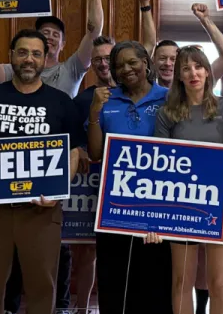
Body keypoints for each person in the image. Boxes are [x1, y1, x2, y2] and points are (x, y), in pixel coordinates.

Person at [0, 26, 86, 314]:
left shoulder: (61, 102)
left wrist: (60, 191)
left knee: (42, 286)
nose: (29, 59)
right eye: (22, 53)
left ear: (46, 59)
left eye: (36, 53)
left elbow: (72, 151)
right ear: (11, 57)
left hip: (41, 209)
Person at [154, 46, 223, 314]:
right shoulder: (167, 113)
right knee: (181, 281)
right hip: (181, 206)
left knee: (219, 283)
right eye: (185, 68)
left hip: (222, 202)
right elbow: (161, 164)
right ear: (179, 76)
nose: (193, 72)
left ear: (207, 71)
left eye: (198, 66)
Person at [87, 41, 174, 314]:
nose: (126, 69)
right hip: (114, 204)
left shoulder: (168, 97)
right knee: (113, 280)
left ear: (146, 63)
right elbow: (95, 153)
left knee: (154, 280)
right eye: (119, 65)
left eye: (132, 62)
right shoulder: (105, 99)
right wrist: (94, 113)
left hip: (157, 204)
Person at [68, 35, 116, 312]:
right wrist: (79, 148)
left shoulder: (131, 93)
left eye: (108, 57)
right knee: (86, 250)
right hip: (90, 182)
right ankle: (82, 307)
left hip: (126, 183)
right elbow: (72, 135)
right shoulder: (82, 98)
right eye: (97, 59)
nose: (102, 63)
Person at [146, 2, 223, 88]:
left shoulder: (196, 84)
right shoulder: (145, 87)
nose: (168, 63)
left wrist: (205, 19)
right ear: (153, 61)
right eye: (162, 58)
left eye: (173, 59)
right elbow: (149, 43)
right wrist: (145, 5)